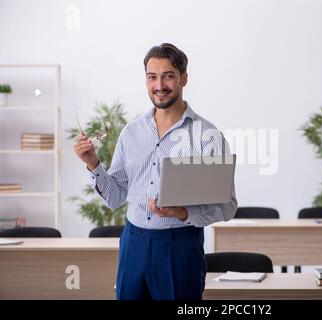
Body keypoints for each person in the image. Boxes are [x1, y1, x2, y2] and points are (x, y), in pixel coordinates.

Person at [74, 43, 237, 300]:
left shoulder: (207, 136)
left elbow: (227, 206)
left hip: (180, 246)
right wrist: (94, 164)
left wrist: (184, 212)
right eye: (152, 77)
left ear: (184, 78)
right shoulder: (131, 132)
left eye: (168, 76)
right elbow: (116, 197)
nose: (159, 85)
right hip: (133, 243)